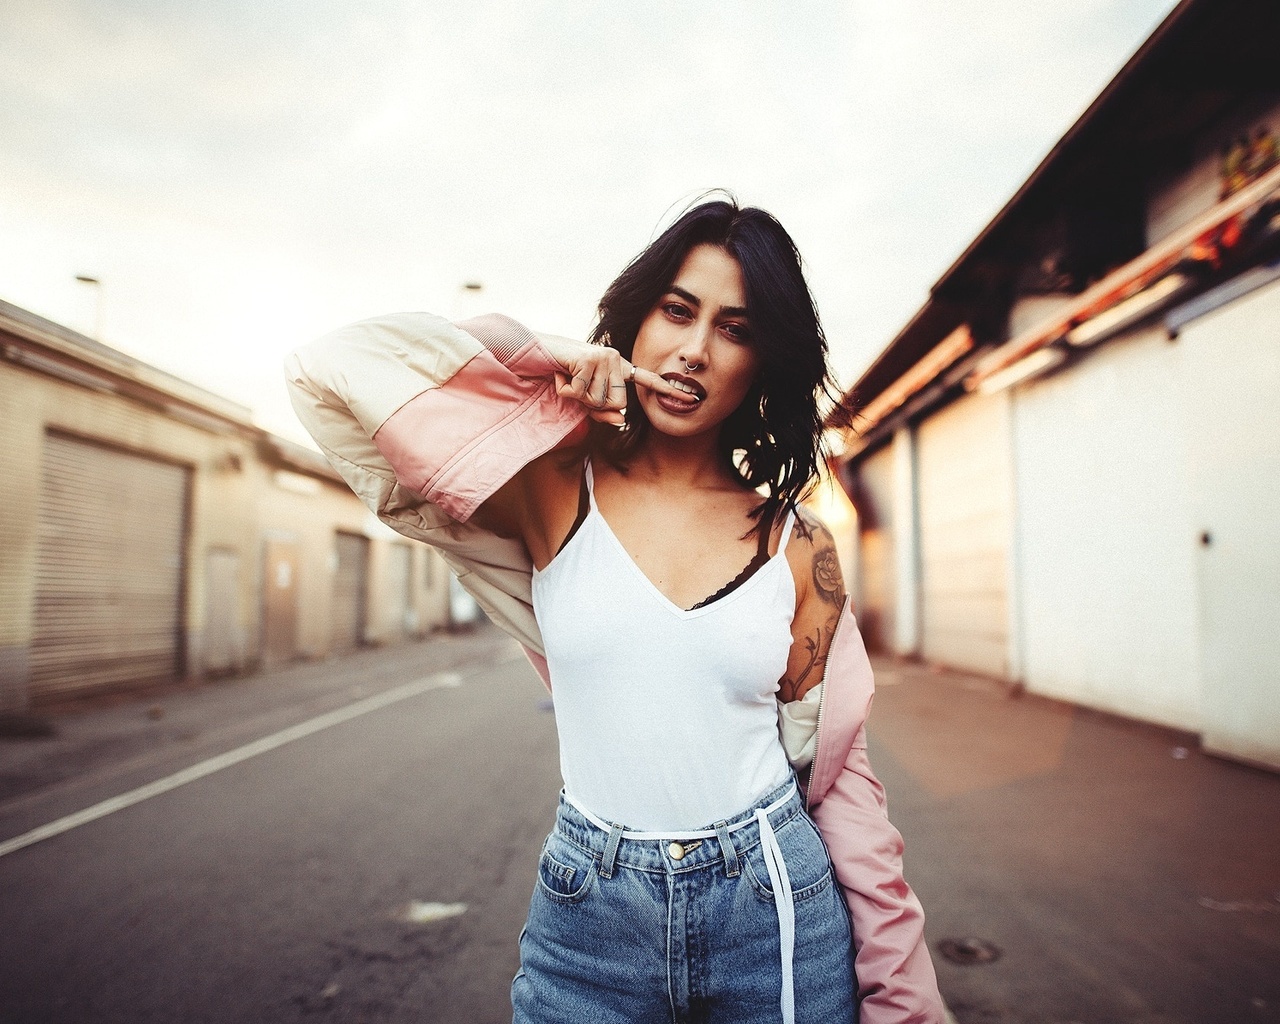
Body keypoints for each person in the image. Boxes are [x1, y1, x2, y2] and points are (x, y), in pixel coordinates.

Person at [286, 197, 944, 1023]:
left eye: (735, 329)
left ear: (762, 361)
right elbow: (329, 369)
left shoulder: (798, 544)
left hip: (774, 908)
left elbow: (841, 781)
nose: (695, 351)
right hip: (589, 919)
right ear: (635, 322)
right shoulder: (551, 486)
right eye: (677, 310)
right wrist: (547, 366)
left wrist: (903, 998)